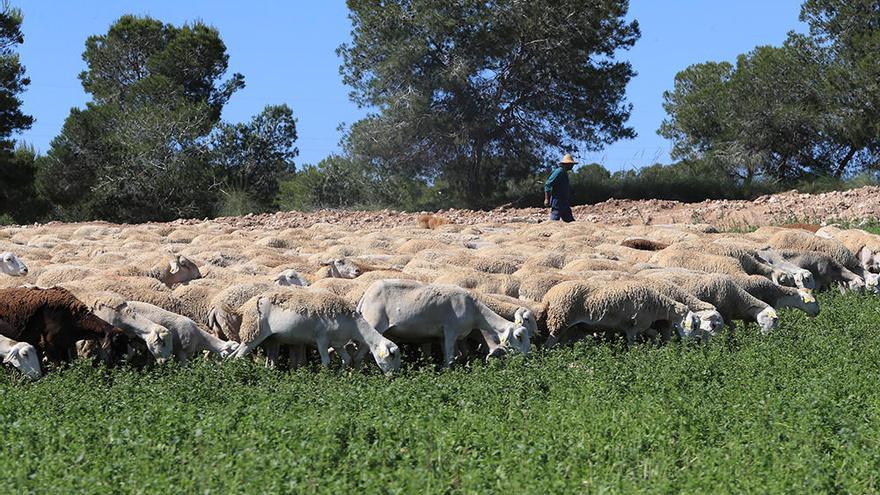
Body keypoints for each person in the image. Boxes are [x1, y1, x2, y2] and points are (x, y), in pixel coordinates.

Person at [544, 153, 576, 222]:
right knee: (554, 222)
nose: (572, 165)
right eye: (571, 164)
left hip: (564, 203)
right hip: (557, 203)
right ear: (566, 164)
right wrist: (546, 199)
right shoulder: (559, 172)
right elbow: (547, 184)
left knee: (571, 223)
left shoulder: (564, 173)